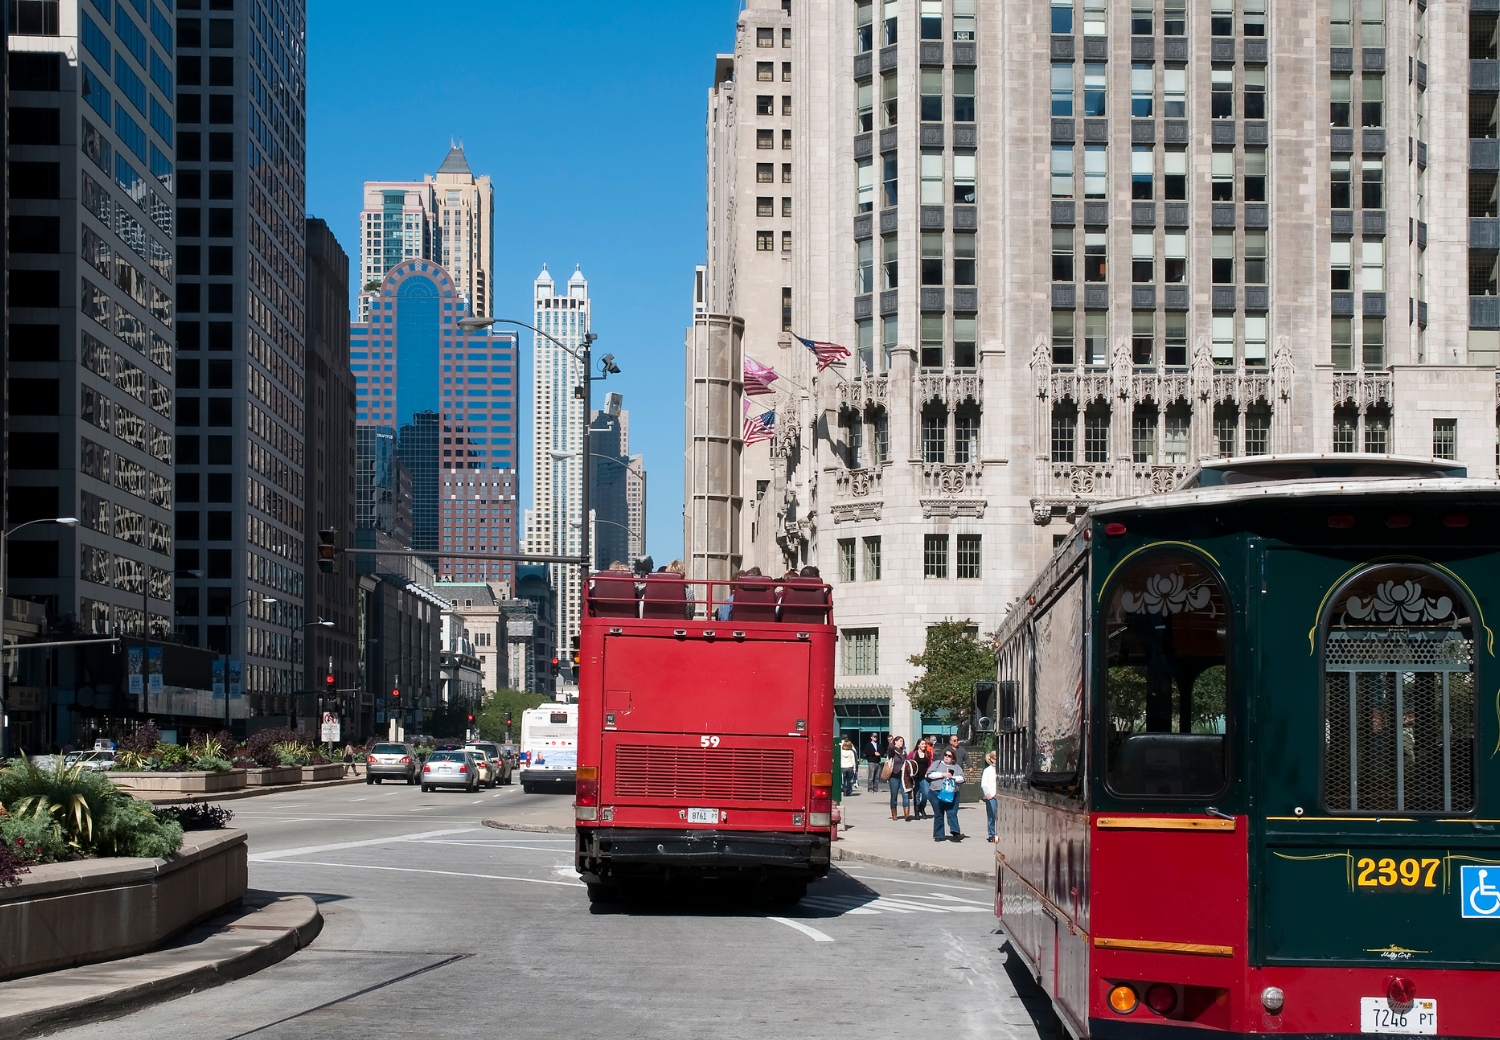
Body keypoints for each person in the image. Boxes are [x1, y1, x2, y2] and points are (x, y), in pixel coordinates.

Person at [926, 748, 966, 842]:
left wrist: (953, 778)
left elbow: (962, 778)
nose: (947, 757)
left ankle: (956, 833)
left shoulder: (956, 767)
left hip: (952, 794)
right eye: (945, 755)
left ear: (953, 758)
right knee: (939, 814)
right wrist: (943, 774)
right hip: (936, 792)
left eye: (949, 756)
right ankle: (939, 835)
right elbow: (930, 774)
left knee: (952, 813)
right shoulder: (937, 763)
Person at [885, 736, 911, 820]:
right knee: (894, 795)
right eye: (900, 741)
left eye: (902, 741)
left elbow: (907, 762)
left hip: (903, 776)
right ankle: (894, 814)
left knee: (905, 794)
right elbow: (890, 748)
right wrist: (891, 742)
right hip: (894, 776)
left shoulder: (904, 752)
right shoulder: (892, 751)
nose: (902, 743)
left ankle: (906, 814)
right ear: (895, 742)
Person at [910, 737, 934, 819]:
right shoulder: (913, 753)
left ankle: (921, 807)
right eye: (922, 744)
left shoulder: (928, 753)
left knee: (926, 794)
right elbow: (908, 764)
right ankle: (917, 812)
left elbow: (930, 765)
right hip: (915, 777)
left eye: (925, 744)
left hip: (924, 777)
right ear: (918, 745)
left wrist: (928, 772)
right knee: (916, 795)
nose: (924, 745)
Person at [981, 750, 998, 842]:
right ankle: (992, 834)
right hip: (991, 796)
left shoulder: (1004, 770)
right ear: (991, 759)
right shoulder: (987, 770)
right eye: (995, 758)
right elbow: (984, 784)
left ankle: (1000, 834)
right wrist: (987, 793)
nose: (997, 760)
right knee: (991, 816)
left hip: (1000, 795)